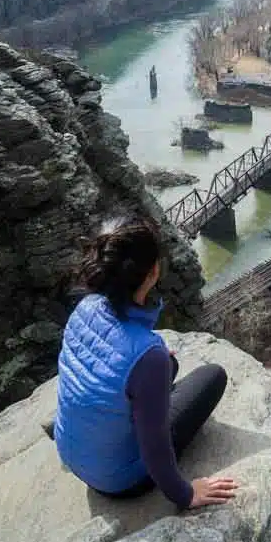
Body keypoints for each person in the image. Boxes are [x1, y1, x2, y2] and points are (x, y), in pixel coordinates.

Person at [53, 217, 237, 509]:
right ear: (153, 273)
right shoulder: (146, 355)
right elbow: (155, 449)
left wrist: (159, 366)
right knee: (213, 376)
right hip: (119, 481)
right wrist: (186, 494)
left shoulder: (84, 308)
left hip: (73, 456)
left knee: (167, 366)